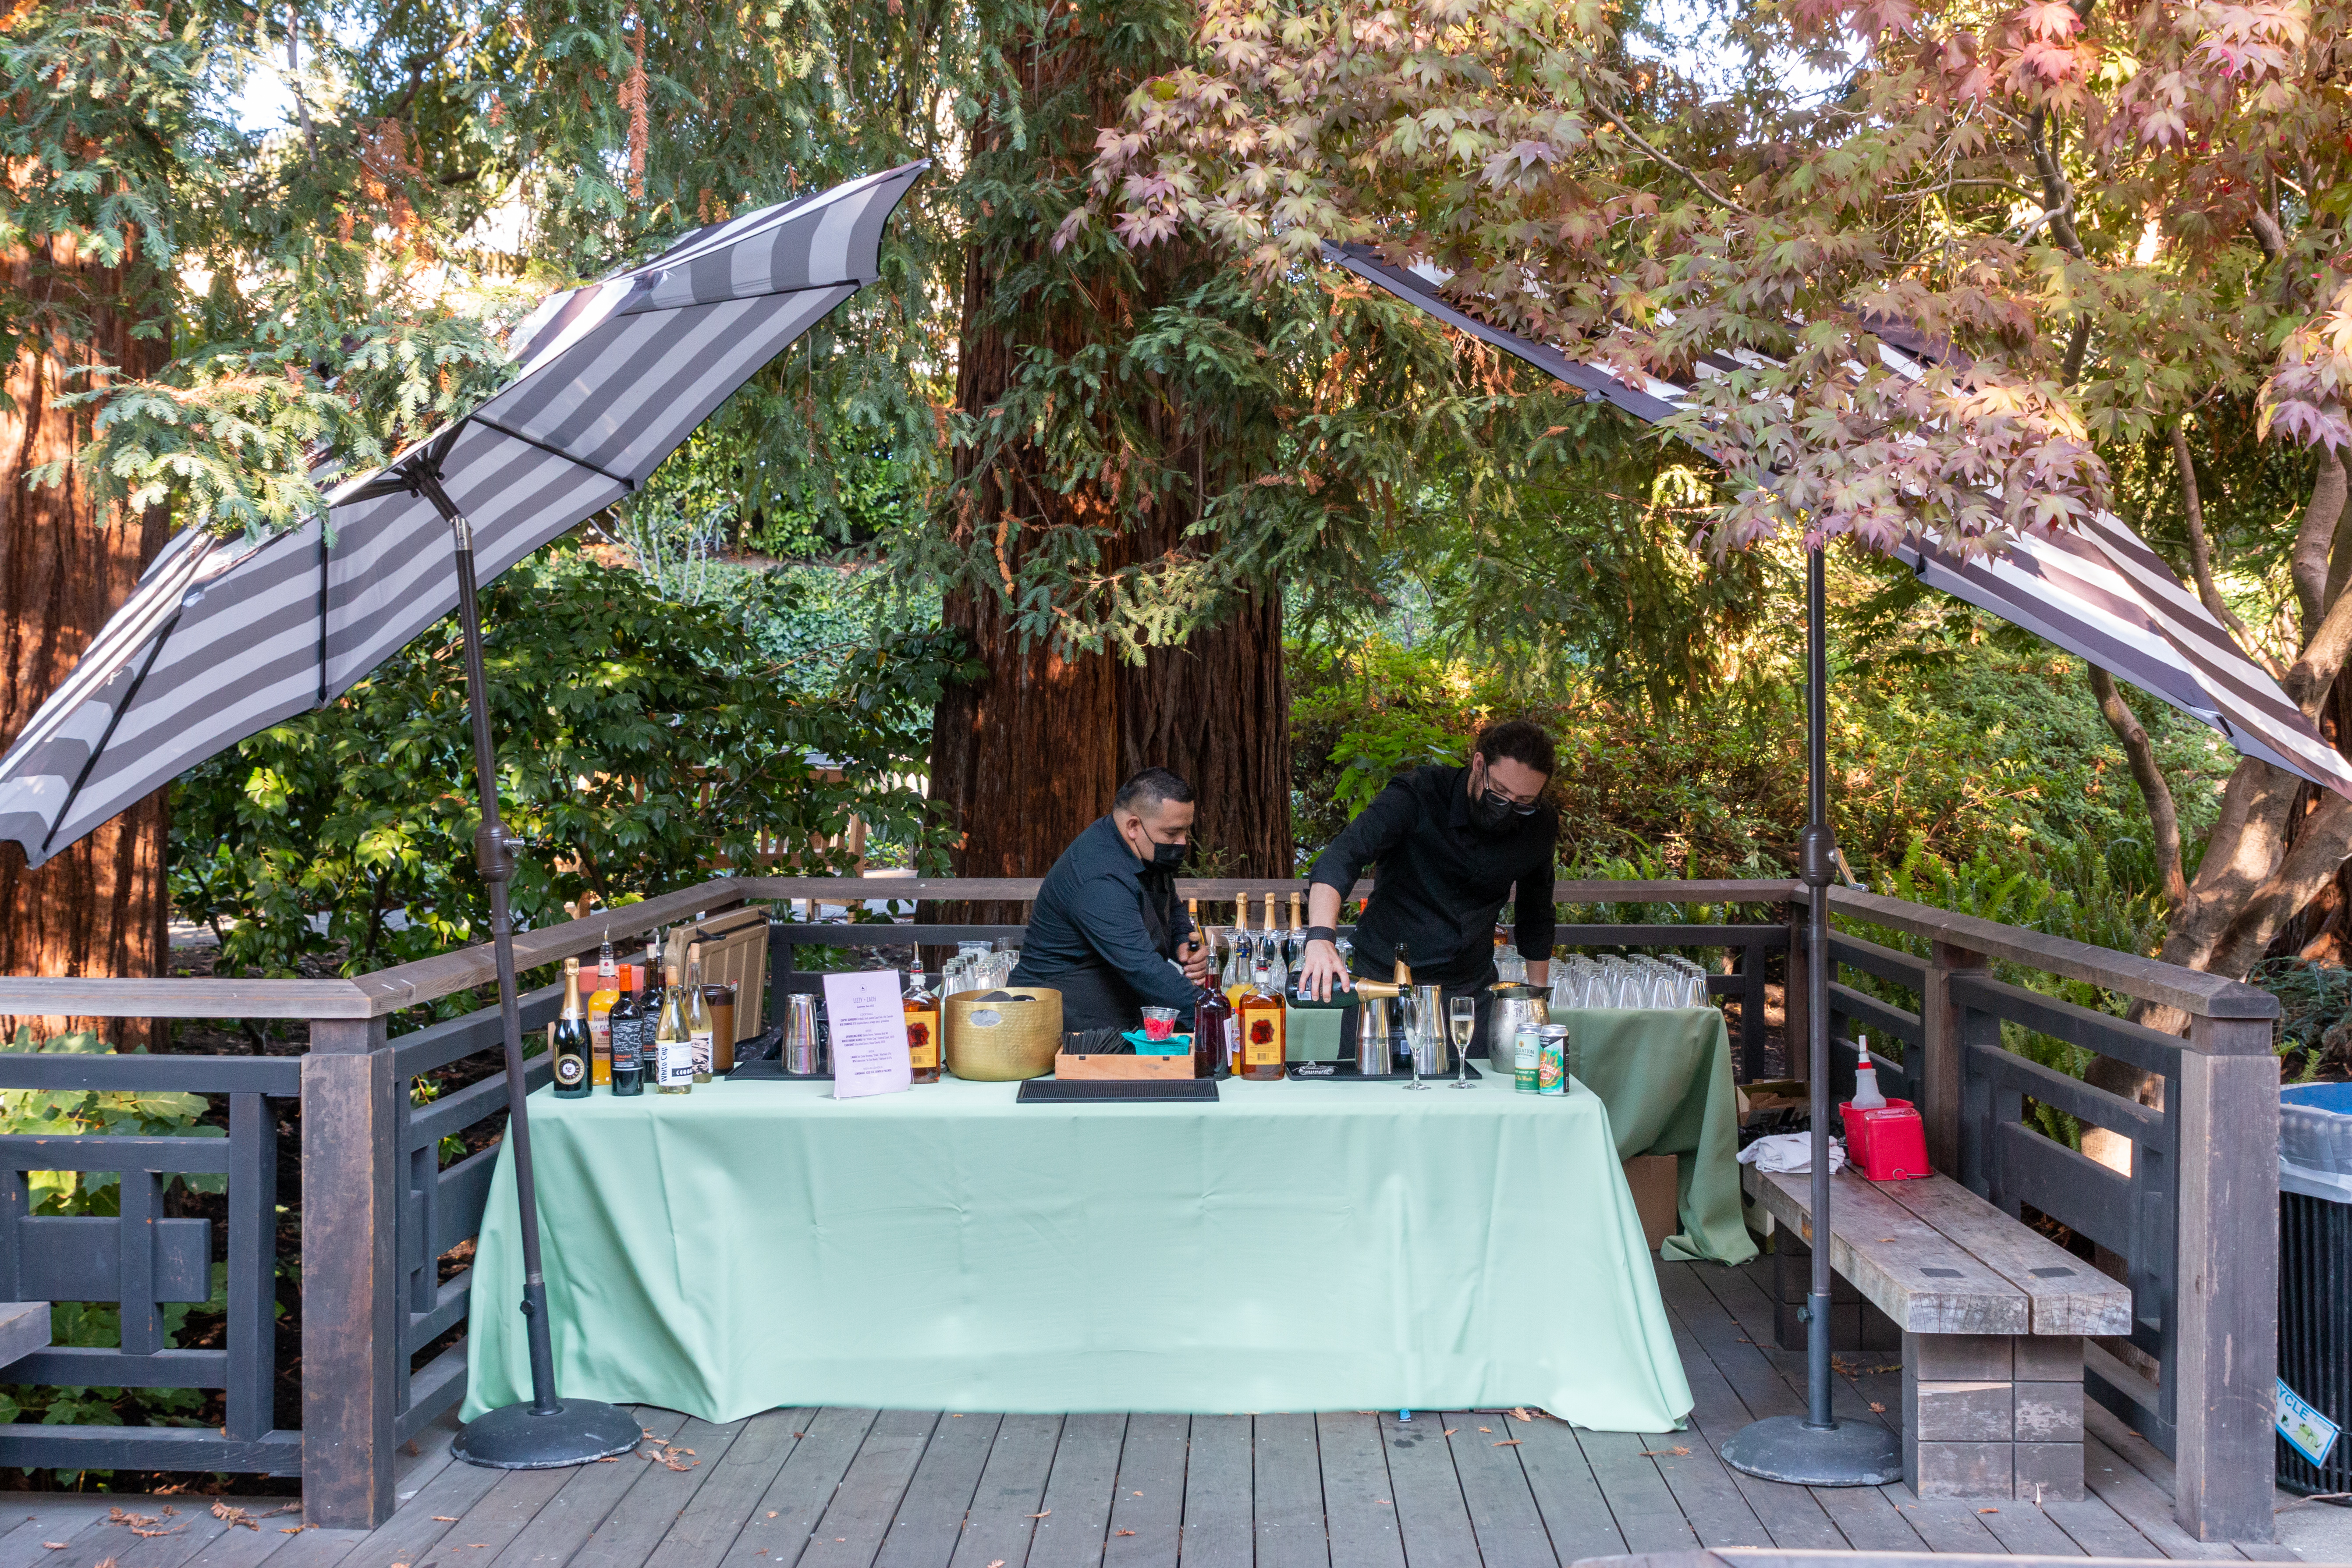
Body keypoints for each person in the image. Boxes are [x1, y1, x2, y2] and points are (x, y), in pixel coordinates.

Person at [1296, 720, 1557, 1056]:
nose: (1508, 809)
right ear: (1479, 764)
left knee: (1470, 1101)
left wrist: (1538, 1003)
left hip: (1467, 993)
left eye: (1523, 801)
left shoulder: (1539, 822)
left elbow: (1536, 912)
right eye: (1500, 795)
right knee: (1372, 1102)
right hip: (1383, 985)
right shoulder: (1417, 794)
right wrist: (1320, 938)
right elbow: (1342, 858)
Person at [1008, 768, 1217, 1032]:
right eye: (1172, 834)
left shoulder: (1141, 849)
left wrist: (1182, 941)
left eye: (1186, 831)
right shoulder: (1099, 877)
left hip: (1119, 1008)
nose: (1182, 842)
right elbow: (1143, 969)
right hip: (1060, 1021)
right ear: (1133, 826)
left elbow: (1172, 904)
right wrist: (1215, 1015)